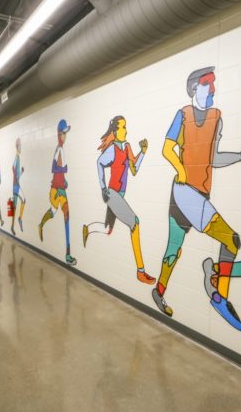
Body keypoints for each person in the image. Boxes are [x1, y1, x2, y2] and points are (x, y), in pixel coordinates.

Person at [152, 66, 241, 332]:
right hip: (183, 192)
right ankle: (220, 297)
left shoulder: (217, 118)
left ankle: (159, 291)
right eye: (207, 83)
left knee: (173, 249)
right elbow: (167, 147)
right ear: (194, 88)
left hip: (198, 193)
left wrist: (240, 156)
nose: (213, 89)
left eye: (213, 83)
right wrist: (181, 169)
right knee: (231, 240)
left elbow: (213, 158)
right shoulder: (183, 114)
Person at [82, 115, 155, 285]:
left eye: (125, 127)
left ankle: (88, 229)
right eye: (123, 127)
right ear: (115, 131)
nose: (126, 131)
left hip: (120, 194)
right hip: (112, 194)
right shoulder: (112, 149)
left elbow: (134, 169)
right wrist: (103, 188)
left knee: (108, 229)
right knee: (135, 223)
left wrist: (143, 152)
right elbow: (99, 163)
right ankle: (140, 271)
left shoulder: (127, 147)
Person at [38, 119, 76, 266]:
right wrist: (63, 170)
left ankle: (68, 254)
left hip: (60, 189)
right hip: (56, 190)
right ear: (58, 135)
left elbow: (58, 171)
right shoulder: (59, 149)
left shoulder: (61, 149)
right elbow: (54, 168)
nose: (65, 136)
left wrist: (64, 180)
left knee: (65, 215)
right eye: (63, 133)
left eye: (65, 133)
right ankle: (41, 224)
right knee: (55, 213)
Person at [11, 138, 26, 235]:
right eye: (20, 146)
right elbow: (12, 167)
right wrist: (16, 178)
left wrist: (21, 172)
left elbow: (16, 174)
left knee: (15, 205)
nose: (21, 148)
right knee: (22, 200)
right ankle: (19, 219)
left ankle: (13, 225)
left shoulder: (18, 157)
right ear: (17, 147)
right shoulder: (16, 157)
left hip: (16, 184)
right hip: (15, 185)